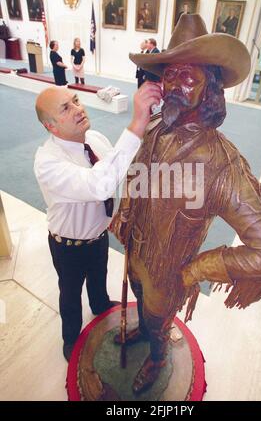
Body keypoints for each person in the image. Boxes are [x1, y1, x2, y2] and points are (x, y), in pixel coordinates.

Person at [110, 14, 261, 394]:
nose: (176, 85)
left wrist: (197, 269)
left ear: (210, 87)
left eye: (189, 77)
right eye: (170, 75)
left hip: (171, 271)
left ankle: (158, 355)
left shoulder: (221, 163)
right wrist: (127, 212)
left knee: (159, 319)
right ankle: (145, 330)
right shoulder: (155, 125)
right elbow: (135, 172)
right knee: (143, 303)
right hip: (135, 251)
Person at [34, 82, 162, 362]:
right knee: (69, 293)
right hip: (68, 244)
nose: (78, 109)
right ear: (51, 126)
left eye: (76, 100)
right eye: (66, 108)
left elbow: (119, 166)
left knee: (99, 275)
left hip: (98, 235)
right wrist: (137, 122)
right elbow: (100, 184)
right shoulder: (48, 162)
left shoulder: (95, 138)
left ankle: (100, 304)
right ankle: (70, 339)